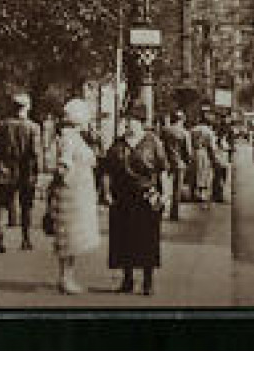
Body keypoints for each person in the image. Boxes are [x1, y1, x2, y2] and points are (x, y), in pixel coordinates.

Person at [105, 110, 169, 295]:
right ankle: (127, 279)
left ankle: (148, 282)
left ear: (141, 122)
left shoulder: (153, 142)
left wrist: (165, 195)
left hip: (146, 196)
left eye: (132, 120)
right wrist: (107, 192)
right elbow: (108, 171)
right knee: (123, 239)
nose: (128, 124)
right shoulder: (118, 144)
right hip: (122, 198)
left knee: (147, 239)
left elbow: (162, 170)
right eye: (126, 120)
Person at [46, 98, 100, 295]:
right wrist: (63, 179)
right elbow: (63, 164)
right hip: (72, 195)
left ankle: (68, 277)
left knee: (72, 240)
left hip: (76, 193)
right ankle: (65, 278)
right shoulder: (70, 138)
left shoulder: (74, 137)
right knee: (69, 238)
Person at [0, 93, 43, 253]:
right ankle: (26, 240)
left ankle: (0, 236)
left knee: (3, 206)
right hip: (26, 172)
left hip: (5, 170)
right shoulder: (33, 127)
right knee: (26, 206)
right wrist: (37, 173)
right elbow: (35, 152)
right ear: (28, 107)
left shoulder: (2, 126)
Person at [160, 111, 192, 219]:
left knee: (164, 188)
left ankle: (160, 208)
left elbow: (161, 146)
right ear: (182, 120)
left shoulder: (165, 130)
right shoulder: (184, 133)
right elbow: (188, 152)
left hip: (165, 163)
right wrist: (188, 163)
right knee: (176, 190)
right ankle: (174, 213)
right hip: (179, 164)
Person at [189, 115, 217, 206]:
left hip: (193, 152)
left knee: (193, 173)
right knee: (203, 173)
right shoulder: (209, 131)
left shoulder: (192, 130)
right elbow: (212, 147)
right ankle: (201, 194)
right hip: (204, 153)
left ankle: (192, 193)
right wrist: (214, 158)